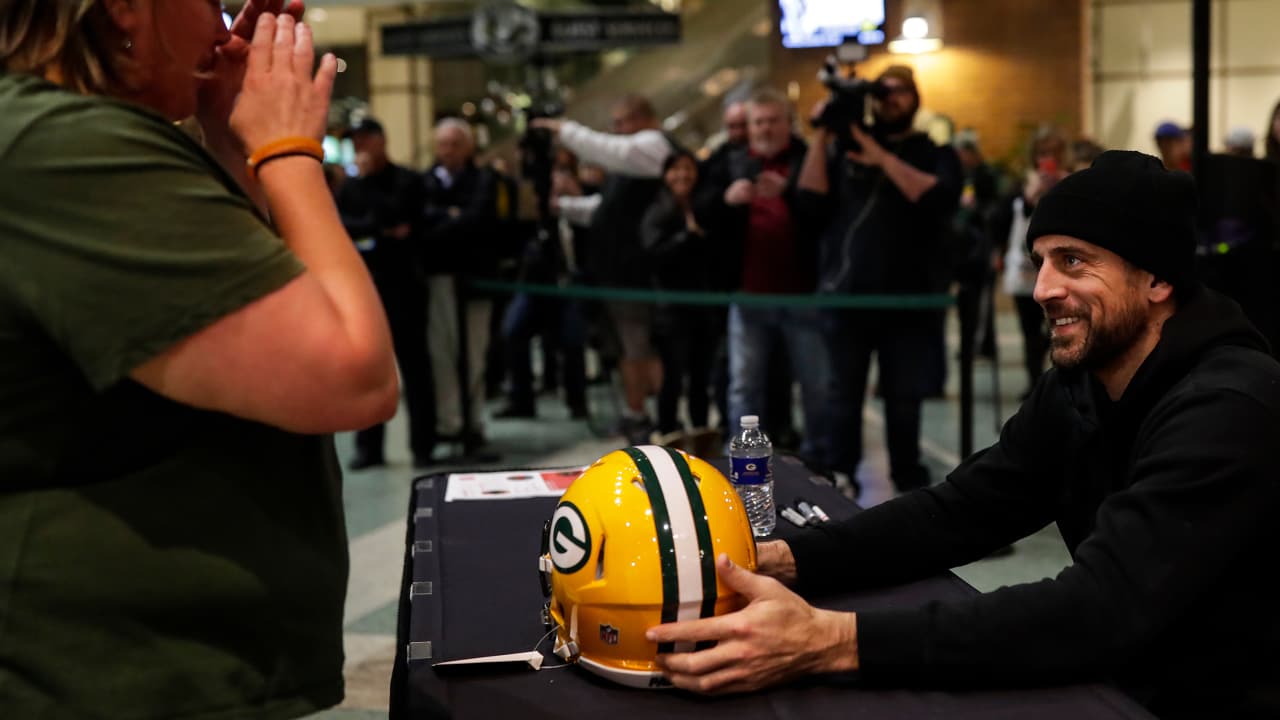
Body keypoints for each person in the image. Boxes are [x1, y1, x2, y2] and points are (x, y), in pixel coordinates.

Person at [647, 151, 1280, 720]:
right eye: (1040, 262)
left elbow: (1100, 610)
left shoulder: (1228, 406)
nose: (1042, 289)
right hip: (1132, 679)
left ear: (1158, 280)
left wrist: (828, 640)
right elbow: (962, 509)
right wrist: (791, 558)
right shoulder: (1082, 384)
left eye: (1074, 262)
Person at [0, 2, 399, 718]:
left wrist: (227, 140)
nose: (226, 18)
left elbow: (244, 308)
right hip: (104, 674)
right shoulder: (63, 144)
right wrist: (287, 149)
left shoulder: (83, 135)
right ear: (125, 8)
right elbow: (352, 371)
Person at [799, 65, 962, 494]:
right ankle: (839, 481)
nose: (891, 99)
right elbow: (809, 200)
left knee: (903, 401)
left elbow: (936, 197)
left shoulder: (932, 150)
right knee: (842, 397)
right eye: (883, 91)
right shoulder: (844, 149)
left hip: (907, 301)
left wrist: (879, 155)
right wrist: (823, 133)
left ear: (916, 98)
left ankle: (908, 484)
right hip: (847, 298)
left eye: (901, 92)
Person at [535, 95, 677, 443]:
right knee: (628, 347)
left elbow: (613, 151)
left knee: (638, 345)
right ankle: (639, 412)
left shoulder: (653, 146)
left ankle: (656, 416)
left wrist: (564, 130)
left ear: (643, 119)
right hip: (614, 270)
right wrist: (564, 207)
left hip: (636, 270)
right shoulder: (631, 164)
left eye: (621, 123)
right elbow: (607, 209)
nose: (616, 132)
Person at [336, 117, 436, 470]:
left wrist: (377, 229)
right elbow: (344, 228)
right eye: (356, 141)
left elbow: (404, 222)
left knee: (415, 366)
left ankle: (424, 445)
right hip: (367, 287)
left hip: (404, 285)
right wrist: (379, 233)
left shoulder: (407, 181)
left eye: (365, 139)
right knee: (369, 367)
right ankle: (369, 447)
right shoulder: (350, 186)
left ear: (381, 140)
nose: (361, 147)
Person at [421, 117, 499, 459]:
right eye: (443, 144)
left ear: (468, 147)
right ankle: (449, 423)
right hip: (438, 278)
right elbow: (424, 223)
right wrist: (451, 216)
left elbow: (478, 220)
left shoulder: (483, 180)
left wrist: (450, 219)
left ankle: (473, 424)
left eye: (455, 144)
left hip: (475, 280)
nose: (448, 151)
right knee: (443, 353)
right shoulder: (425, 181)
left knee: (474, 352)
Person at [640, 150, 717, 437]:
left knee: (700, 377)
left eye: (688, 169)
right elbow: (653, 253)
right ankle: (668, 432)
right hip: (670, 308)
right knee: (672, 377)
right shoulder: (657, 210)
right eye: (675, 169)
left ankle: (700, 431)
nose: (682, 175)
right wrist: (687, 237)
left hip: (703, 306)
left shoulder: (704, 207)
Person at [998, 125, 1070, 396]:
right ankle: (1035, 384)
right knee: (1030, 332)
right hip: (1027, 271)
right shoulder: (1021, 183)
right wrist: (1030, 194)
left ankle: (1063, 383)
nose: (1046, 158)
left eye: (1052, 152)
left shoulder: (1074, 180)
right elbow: (1003, 220)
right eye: (1042, 153)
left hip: (1063, 267)